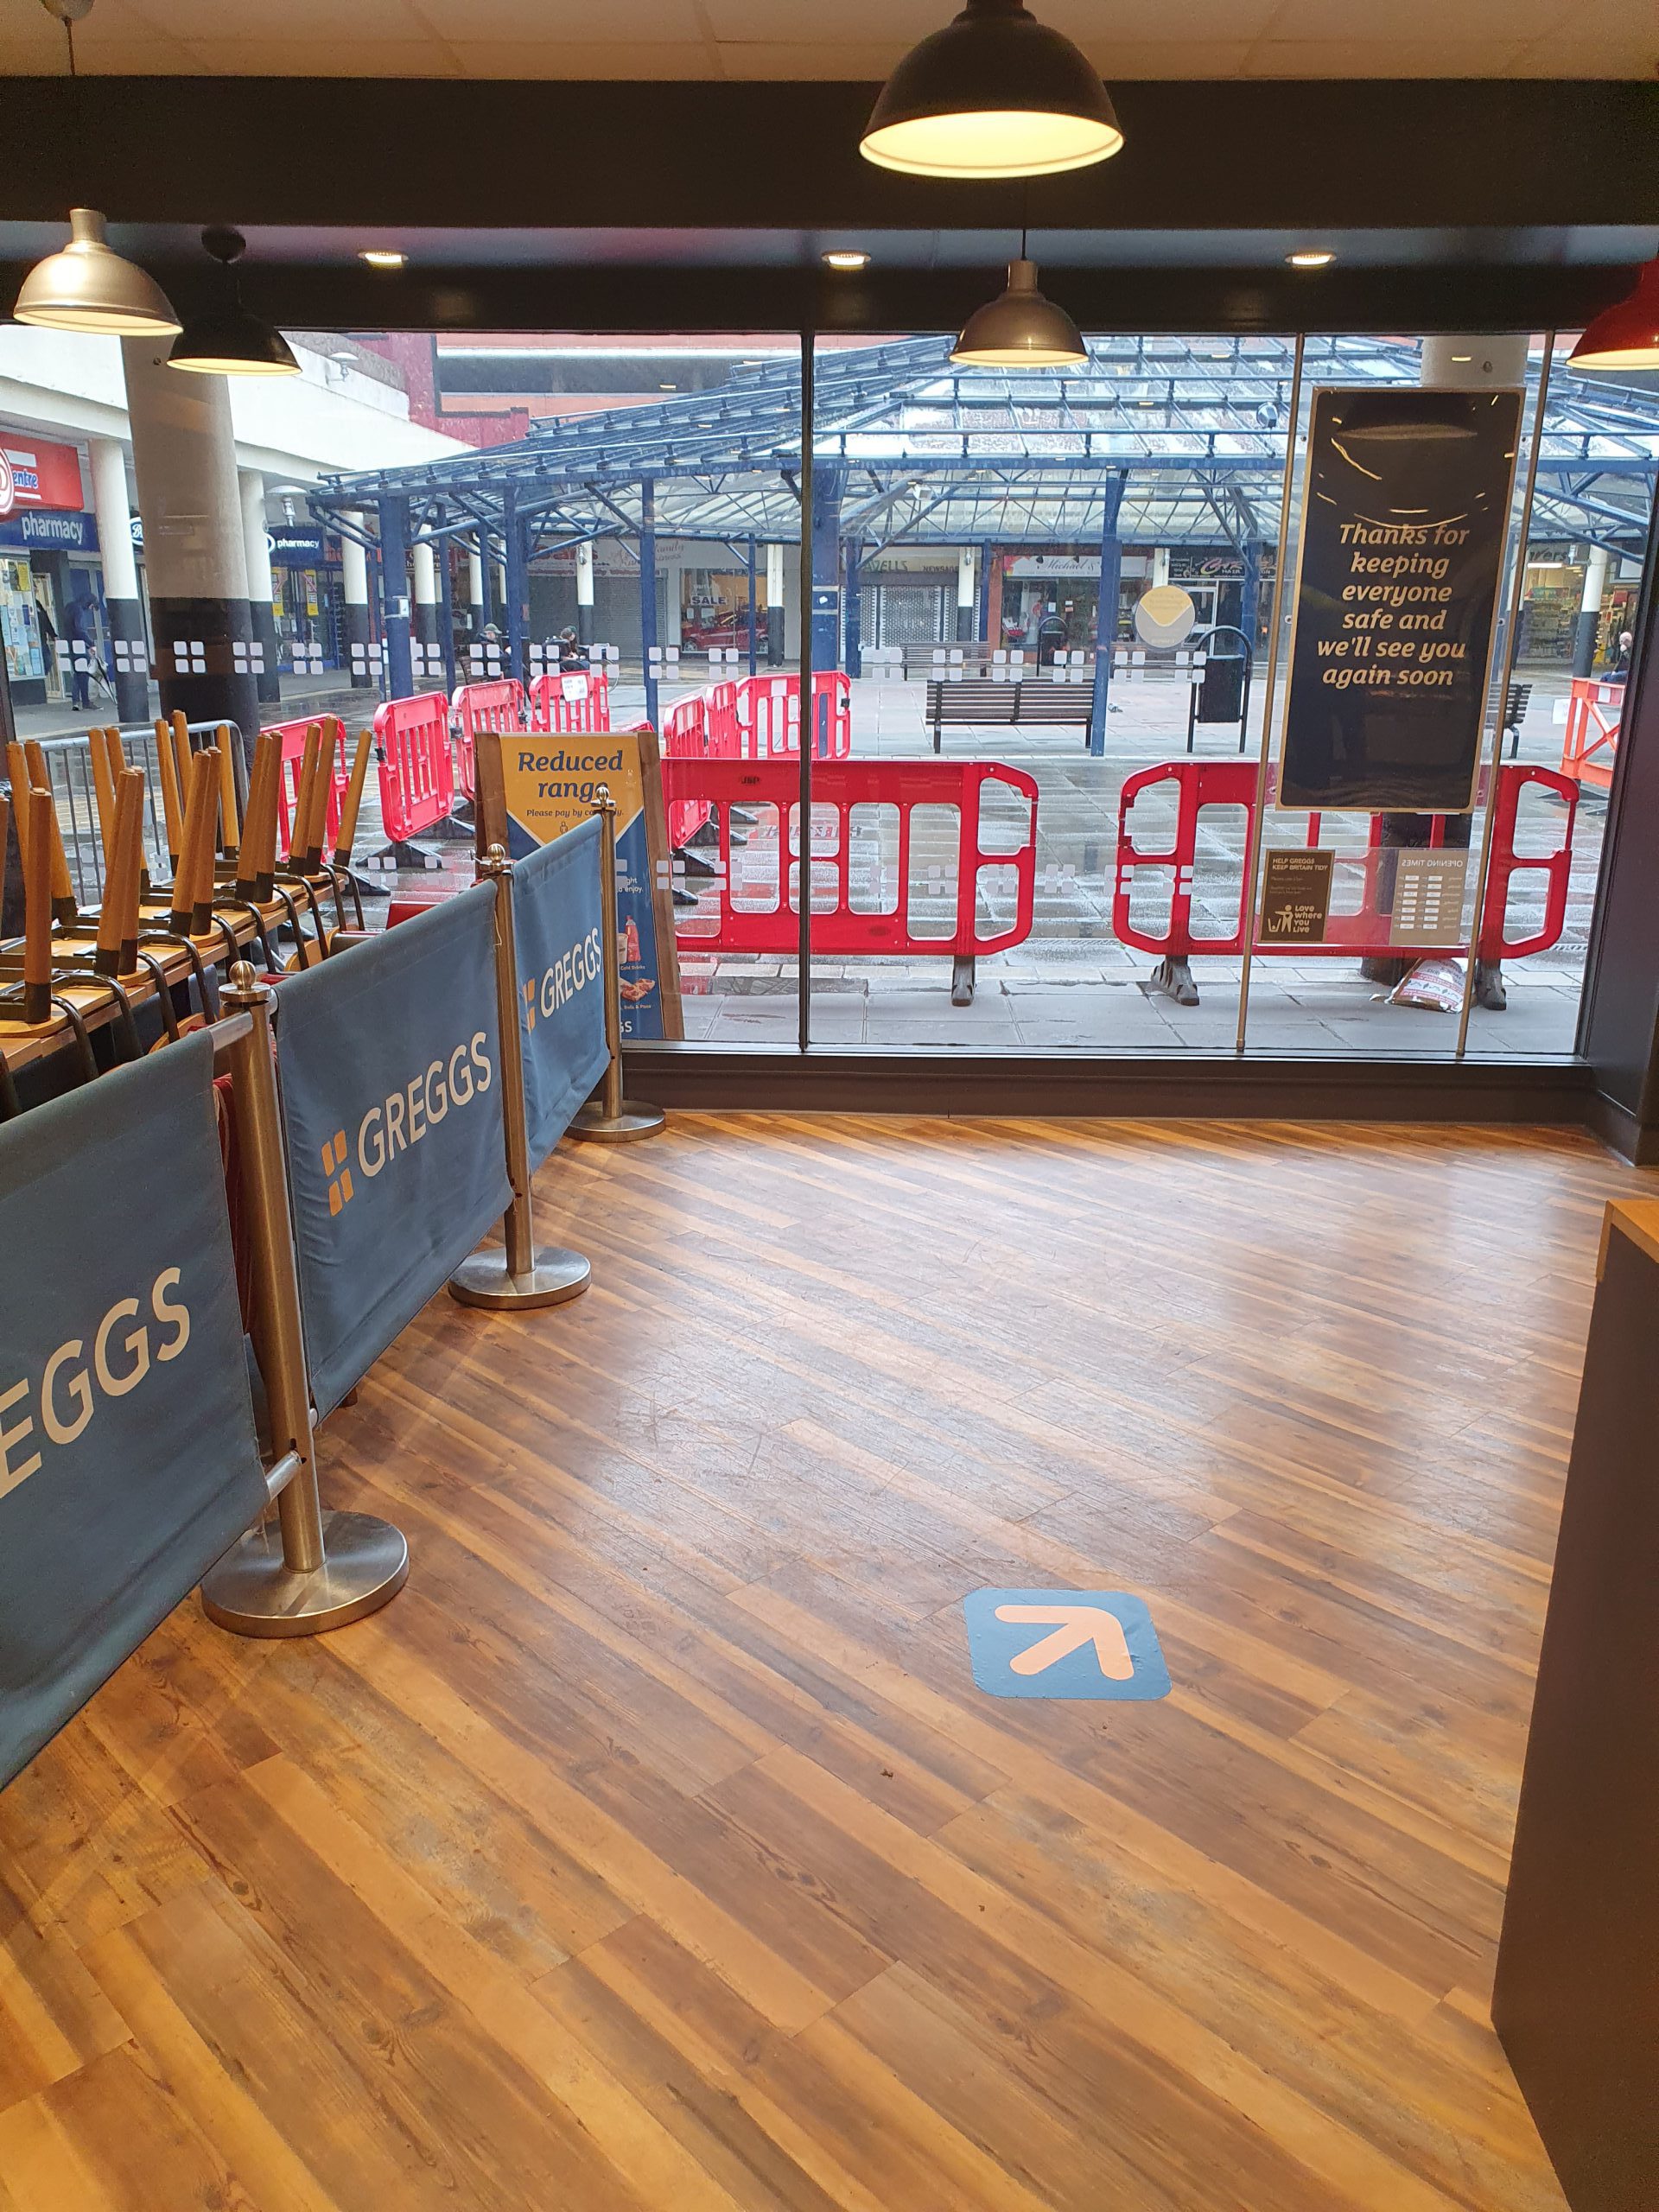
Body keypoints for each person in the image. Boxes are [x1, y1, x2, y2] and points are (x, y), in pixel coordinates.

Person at [65, 586, 96, 711]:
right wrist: (91, 643)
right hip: (80, 645)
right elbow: (80, 629)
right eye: (92, 606)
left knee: (77, 673)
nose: (91, 609)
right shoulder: (79, 611)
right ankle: (86, 702)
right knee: (83, 674)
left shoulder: (69, 607)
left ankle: (76, 701)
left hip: (70, 644)